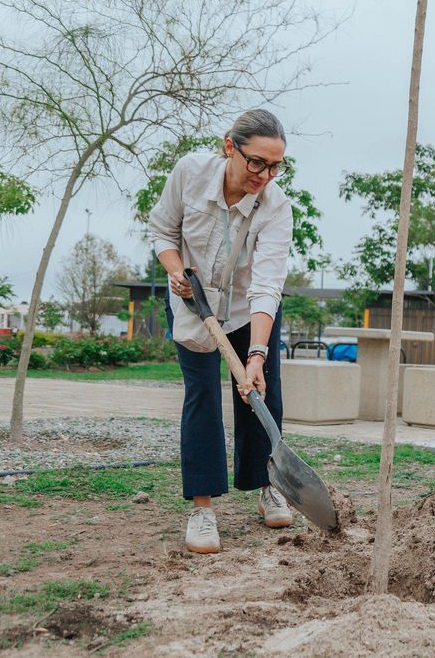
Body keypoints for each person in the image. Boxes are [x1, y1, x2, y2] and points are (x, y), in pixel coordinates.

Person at [149, 109, 295, 554]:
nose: (265, 176)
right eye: (257, 163)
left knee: (259, 396)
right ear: (230, 146)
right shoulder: (190, 173)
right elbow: (162, 230)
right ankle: (203, 508)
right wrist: (176, 272)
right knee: (203, 397)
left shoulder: (277, 206)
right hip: (193, 303)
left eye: (275, 166)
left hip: (249, 309)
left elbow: (268, 284)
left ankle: (267, 483)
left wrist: (256, 356)